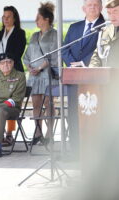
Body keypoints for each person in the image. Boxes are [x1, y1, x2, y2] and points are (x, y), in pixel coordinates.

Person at [62, 0, 104, 158]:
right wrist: (73, 65)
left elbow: (101, 51)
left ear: (100, 8)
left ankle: (92, 154)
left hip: (94, 80)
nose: (92, 7)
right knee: (73, 115)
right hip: (74, 79)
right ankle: (75, 152)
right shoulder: (74, 27)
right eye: (89, 5)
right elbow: (65, 48)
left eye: (95, 5)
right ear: (83, 8)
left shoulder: (105, 27)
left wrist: (84, 64)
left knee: (92, 116)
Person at [23, 2, 58, 145]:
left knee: (49, 105)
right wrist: (30, 67)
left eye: (38, 18)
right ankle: (38, 134)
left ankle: (50, 135)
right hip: (34, 76)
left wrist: (40, 68)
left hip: (47, 75)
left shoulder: (54, 34)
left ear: (46, 19)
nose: (36, 21)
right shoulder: (34, 36)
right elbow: (27, 55)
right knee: (36, 105)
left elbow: (55, 55)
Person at [0, 6, 27, 146]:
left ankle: (9, 134)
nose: (5, 19)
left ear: (14, 18)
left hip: (14, 72)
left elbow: (18, 53)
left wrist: (6, 65)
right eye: (4, 17)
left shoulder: (20, 33)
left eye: (9, 17)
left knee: (11, 101)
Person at [89, 0, 119, 68]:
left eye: (115, 11)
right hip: (105, 77)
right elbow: (97, 55)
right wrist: (92, 69)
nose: (112, 16)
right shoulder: (106, 30)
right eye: (109, 13)